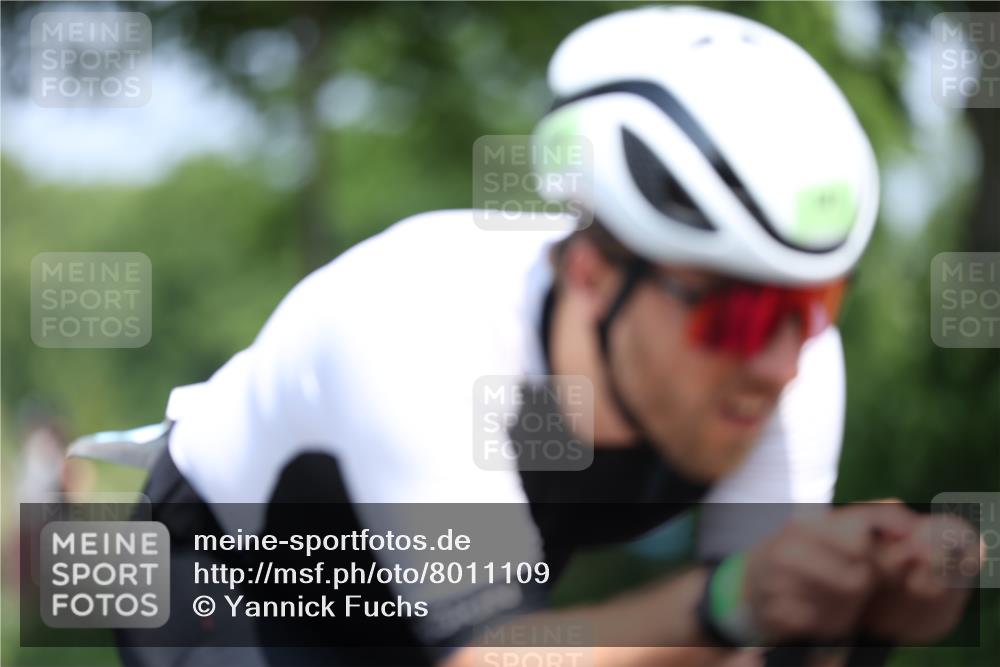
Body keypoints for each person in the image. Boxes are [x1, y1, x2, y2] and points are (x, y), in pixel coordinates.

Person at [117, 6, 980, 667]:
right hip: (238, 584)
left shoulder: (793, 362)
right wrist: (725, 600)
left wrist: (870, 606)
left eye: (813, 309)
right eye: (736, 316)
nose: (777, 361)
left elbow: (762, 638)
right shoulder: (420, 321)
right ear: (595, 273)